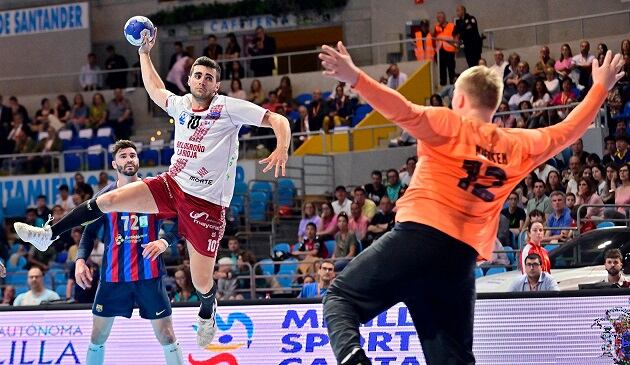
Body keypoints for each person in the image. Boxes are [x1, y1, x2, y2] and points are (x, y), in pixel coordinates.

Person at [317, 41, 624, 364]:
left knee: (340, 299)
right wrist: (600, 87)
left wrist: (354, 77)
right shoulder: (517, 144)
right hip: (458, 262)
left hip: (416, 240)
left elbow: (400, 108)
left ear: (459, 99)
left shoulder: (448, 123)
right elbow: (569, 130)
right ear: (494, 104)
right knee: (453, 359)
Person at [15, 29, 291, 350]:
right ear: (189, 79)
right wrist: (144, 53)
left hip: (207, 204)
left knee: (201, 281)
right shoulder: (182, 104)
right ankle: (51, 233)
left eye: (208, 78)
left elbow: (277, 119)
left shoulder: (227, 107)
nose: (202, 81)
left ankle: (207, 309)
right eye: (197, 75)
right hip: (171, 185)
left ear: (216, 85)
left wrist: (282, 146)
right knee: (110, 200)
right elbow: (155, 88)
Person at [73, 140, 184, 364]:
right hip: (113, 279)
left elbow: (183, 224)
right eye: (123, 156)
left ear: (138, 160)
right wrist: (80, 261)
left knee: (167, 336)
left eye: (132, 155)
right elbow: (88, 233)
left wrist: (164, 242)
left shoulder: (155, 192)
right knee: (98, 336)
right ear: (115, 164)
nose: (129, 159)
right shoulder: (103, 198)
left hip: (149, 277)